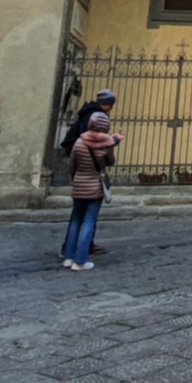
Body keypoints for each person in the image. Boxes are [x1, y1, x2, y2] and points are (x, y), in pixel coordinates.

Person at [60, 89, 117, 259]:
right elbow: (108, 159)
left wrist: (75, 178)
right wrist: (112, 142)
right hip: (93, 180)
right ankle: (81, 254)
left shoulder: (79, 140)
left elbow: (72, 164)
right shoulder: (97, 122)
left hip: (80, 180)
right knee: (89, 218)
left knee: (77, 217)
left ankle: (68, 250)